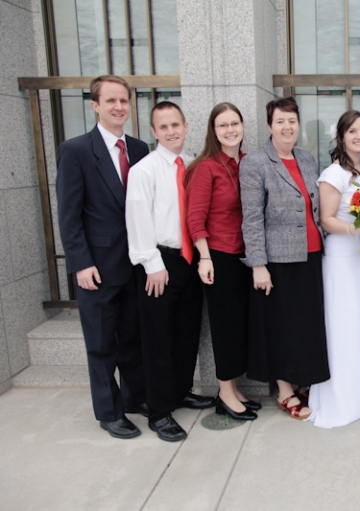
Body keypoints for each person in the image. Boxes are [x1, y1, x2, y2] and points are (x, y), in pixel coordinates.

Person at [56, 75, 148, 439]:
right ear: (95, 105)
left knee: (132, 337)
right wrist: (80, 263)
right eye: (110, 101)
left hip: (134, 265)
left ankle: (133, 397)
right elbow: (69, 213)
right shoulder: (76, 150)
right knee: (100, 342)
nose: (118, 107)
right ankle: (108, 412)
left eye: (123, 100)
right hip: (96, 266)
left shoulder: (139, 149)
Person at [125, 102, 213, 441]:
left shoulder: (193, 165)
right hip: (159, 263)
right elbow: (138, 220)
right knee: (158, 339)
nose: (171, 131)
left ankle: (180, 391)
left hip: (190, 259)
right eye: (163, 127)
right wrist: (152, 264)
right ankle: (159, 411)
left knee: (186, 332)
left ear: (186, 125)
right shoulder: (143, 170)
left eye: (176, 124)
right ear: (153, 131)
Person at [241, 97, 330, 421]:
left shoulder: (306, 159)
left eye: (292, 120)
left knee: (304, 326)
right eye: (280, 121)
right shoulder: (255, 163)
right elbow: (251, 219)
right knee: (280, 327)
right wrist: (259, 265)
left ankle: (300, 380)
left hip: (310, 254)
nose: (287, 127)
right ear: (269, 126)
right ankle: (284, 391)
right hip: (278, 260)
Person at [308, 110, 360, 428]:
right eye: (352, 131)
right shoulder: (334, 174)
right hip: (341, 258)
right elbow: (326, 220)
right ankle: (342, 393)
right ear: (341, 137)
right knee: (343, 325)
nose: (359, 136)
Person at [187, 102, 260, 421]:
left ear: (243, 126)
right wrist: (204, 257)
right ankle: (225, 392)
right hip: (218, 257)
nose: (230, 130)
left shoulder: (247, 162)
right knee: (225, 327)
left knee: (242, 325)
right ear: (213, 132)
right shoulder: (207, 167)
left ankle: (235, 388)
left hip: (247, 256)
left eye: (235, 123)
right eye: (223, 125)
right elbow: (195, 217)